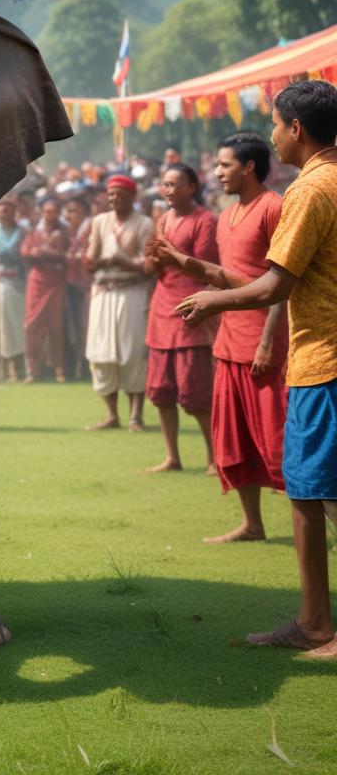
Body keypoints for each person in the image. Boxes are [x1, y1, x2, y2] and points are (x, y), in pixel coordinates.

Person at [178, 81, 337, 658]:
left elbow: (276, 283)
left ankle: (317, 624)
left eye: (275, 123)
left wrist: (212, 301)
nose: (273, 134)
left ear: (295, 129)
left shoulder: (308, 190)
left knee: (310, 491)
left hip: (322, 359)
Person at [150, 133, 287, 543]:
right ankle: (252, 523)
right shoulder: (227, 215)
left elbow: (284, 281)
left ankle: (319, 521)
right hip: (229, 339)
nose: (217, 171)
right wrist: (178, 261)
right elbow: (226, 277)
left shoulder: (274, 207)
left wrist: (267, 340)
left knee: (278, 437)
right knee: (236, 437)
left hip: (265, 340)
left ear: (249, 167)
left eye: (225, 164)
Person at [143, 164, 218, 473]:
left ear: (192, 187)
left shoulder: (204, 220)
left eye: (176, 184)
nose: (169, 190)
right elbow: (151, 270)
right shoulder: (163, 220)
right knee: (161, 390)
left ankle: (215, 457)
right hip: (162, 309)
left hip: (190, 309)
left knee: (196, 391)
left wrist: (170, 254)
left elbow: (205, 268)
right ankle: (172, 456)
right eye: (165, 184)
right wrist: (154, 258)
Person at [84, 174, 154, 431]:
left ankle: (136, 415)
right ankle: (111, 414)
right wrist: (98, 260)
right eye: (111, 194)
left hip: (132, 292)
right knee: (101, 354)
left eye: (120, 195)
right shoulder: (99, 222)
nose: (115, 199)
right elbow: (91, 259)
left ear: (132, 197)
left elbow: (148, 265)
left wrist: (120, 260)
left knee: (132, 353)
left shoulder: (144, 224)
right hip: (103, 292)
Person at [21, 197, 68, 383]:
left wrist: (48, 253)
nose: (50, 216)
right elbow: (25, 250)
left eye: (53, 212)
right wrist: (35, 252)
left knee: (56, 325)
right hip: (37, 279)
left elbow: (70, 255)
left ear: (58, 213)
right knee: (32, 324)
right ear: (42, 212)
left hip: (56, 280)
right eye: (47, 212)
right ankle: (33, 369)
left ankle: (58, 367)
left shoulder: (63, 231)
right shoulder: (34, 230)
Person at [0, 198, 26, 382]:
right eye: (1, 211)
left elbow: (16, 254)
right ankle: (3, 368)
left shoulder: (21, 231)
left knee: (15, 325)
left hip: (16, 282)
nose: (4, 215)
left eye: (8, 211)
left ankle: (18, 368)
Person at [64, 197, 92, 381]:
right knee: (75, 327)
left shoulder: (92, 228)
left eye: (75, 211)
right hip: (71, 283)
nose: (71, 215)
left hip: (88, 284)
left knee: (87, 325)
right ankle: (77, 366)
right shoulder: (68, 230)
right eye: (69, 211)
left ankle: (88, 367)